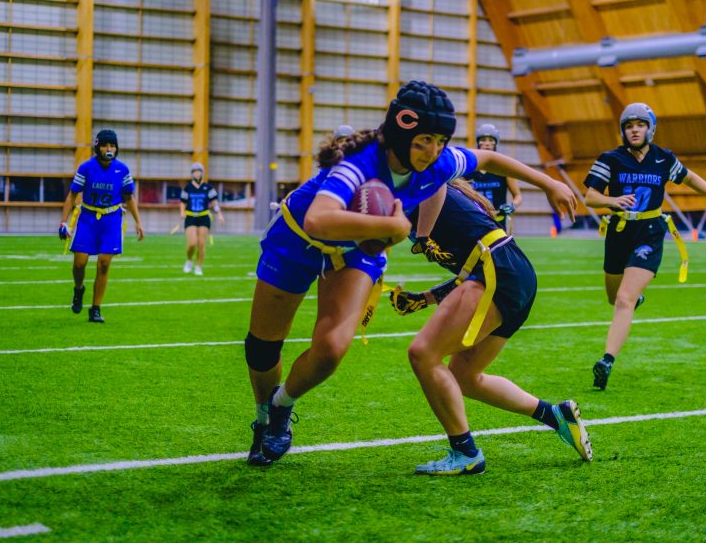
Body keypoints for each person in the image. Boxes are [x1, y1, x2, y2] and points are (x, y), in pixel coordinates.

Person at [244, 80, 577, 467]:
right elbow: (319, 219)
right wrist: (395, 229)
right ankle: (263, 420)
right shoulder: (361, 163)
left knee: (330, 351)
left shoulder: (439, 161)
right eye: (423, 141)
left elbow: (488, 161)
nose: (432, 151)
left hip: (354, 253)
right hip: (297, 239)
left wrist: (550, 182)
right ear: (400, 134)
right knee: (264, 346)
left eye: (439, 141)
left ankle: (280, 409)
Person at [390, 180, 588, 476]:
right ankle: (554, 415)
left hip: (497, 274)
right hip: (508, 274)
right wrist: (425, 298)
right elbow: (470, 266)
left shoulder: (421, 182)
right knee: (465, 377)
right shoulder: (418, 190)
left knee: (423, 354)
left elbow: (436, 185)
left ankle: (465, 452)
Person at [583, 103, 706, 390]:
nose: (634, 129)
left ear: (650, 128)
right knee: (614, 297)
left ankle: (606, 360)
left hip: (650, 231)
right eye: (629, 126)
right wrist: (611, 202)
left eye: (640, 124)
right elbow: (590, 197)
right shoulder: (610, 159)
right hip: (619, 231)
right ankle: (633, 300)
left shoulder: (664, 158)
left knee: (624, 300)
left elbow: (689, 178)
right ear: (623, 131)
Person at [58, 130, 145, 323]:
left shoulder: (122, 169)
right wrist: (64, 222)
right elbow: (72, 195)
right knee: (79, 263)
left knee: (104, 264)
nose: (109, 149)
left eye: (112, 145)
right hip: (88, 218)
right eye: (105, 145)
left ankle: (95, 308)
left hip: (111, 220)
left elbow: (129, 198)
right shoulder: (86, 167)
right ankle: (79, 289)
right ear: (98, 147)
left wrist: (139, 222)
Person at [466, 123, 523, 231]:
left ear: (496, 143)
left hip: (497, 224)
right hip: (474, 222)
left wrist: (511, 206)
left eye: (491, 140)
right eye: (483, 140)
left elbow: (518, 196)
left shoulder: (504, 169)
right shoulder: (468, 169)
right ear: (478, 142)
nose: (487, 144)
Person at [180, 162, 223, 275]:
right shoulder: (188, 187)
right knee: (192, 243)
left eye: (199, 172)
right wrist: (182, 212)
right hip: (190, 217)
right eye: (195, 172)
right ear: (192, 174)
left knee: (201, 244)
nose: (197, 174)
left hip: (204, 217)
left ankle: (199, 266)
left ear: (202, 173)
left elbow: (214, 202)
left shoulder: (208, 187)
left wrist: (219, 214)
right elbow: (183, 202)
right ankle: (189, 260)